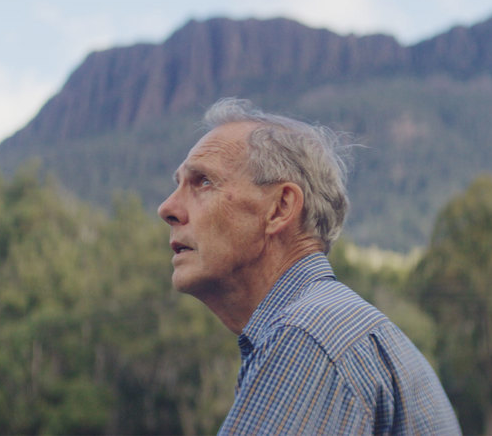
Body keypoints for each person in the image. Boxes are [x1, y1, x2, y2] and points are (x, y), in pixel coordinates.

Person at [158, 98, 461, 434]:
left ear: (280, 208)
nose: (168, 208)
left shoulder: (306, 337)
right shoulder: (333, 326)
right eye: (178, 185)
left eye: (203, 182)